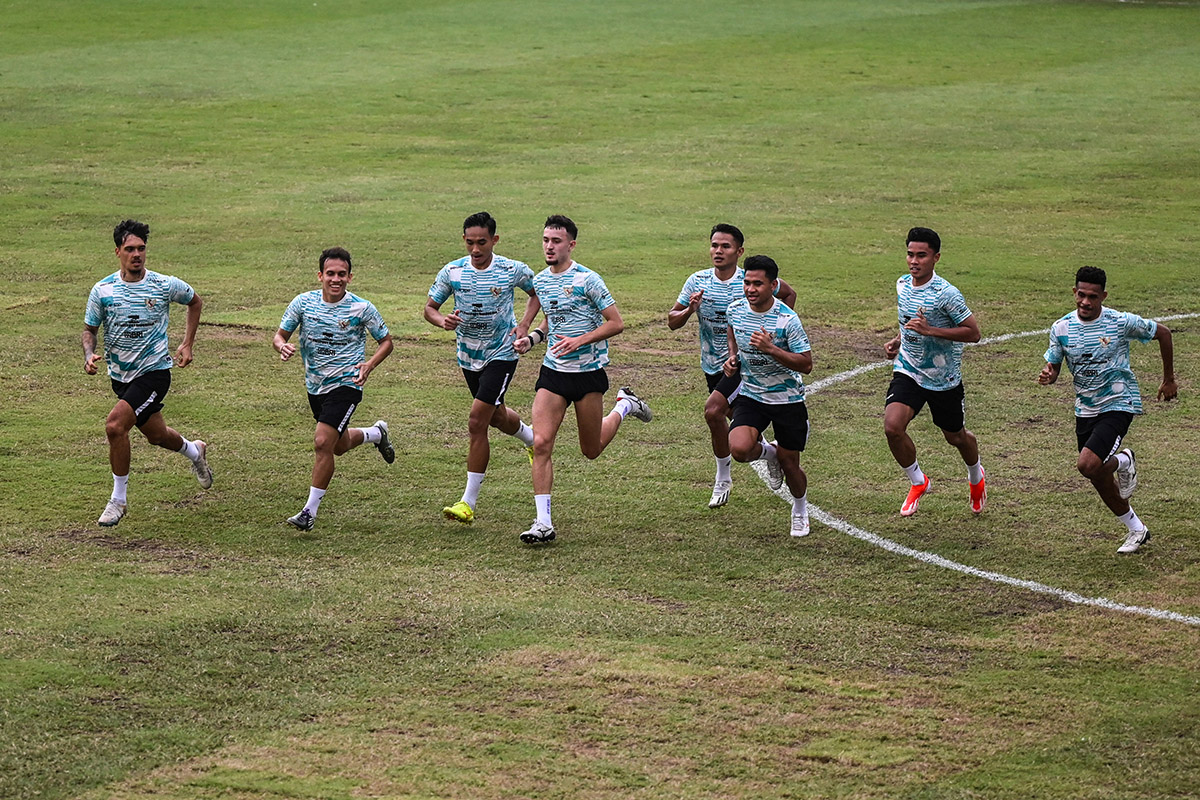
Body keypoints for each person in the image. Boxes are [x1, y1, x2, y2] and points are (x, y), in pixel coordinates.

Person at [511, 215, 652, 544]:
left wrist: (581, 340)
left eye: (556, 241)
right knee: (541, 444)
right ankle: (543, 522)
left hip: (588, 375)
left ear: (570, 245)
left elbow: (616, 323)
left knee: (591, 450)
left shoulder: (588, 280)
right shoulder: (542, 281)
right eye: (545, 240)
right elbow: (551, 320)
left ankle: (624, 406)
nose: (549, 246)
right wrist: (531, 340)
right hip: (553, 374)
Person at [82, 219, 214, 527]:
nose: (136, 255)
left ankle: (118, 501)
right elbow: (90, 329)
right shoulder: (103, 290)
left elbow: (195, 302)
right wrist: (89, 354)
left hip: (155, 373)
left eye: (141, 248)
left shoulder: (163, 284)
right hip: (121, 377)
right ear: (118, 252)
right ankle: (195, 451)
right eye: (130, 249)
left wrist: (187, 343)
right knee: (157, 436)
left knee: (116, 426)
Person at [1038, 266, 1176, 554]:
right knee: (1097, 475)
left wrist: (1169, 379)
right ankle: (1137, 530)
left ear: (1103, 296)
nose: (1085, 302)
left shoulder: (1119, 322)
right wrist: (1050, 375)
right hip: (1085, 408)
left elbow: (1163, 333)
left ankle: (1124, 460)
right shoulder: (1061, 328)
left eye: (1092, 297)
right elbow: (1054, 365)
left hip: (1118, 402)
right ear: (1073, 292)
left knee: (1087, 465)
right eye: (1080, 295)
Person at [668, 224, 797, 509]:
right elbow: (672, 320)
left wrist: (774, 333)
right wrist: (690, 310)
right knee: (732, 420)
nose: (718, 251)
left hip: (742, 366)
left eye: (725, 246)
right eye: (714, 245)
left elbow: (788, 294)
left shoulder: (750, 280)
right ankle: (770, 453)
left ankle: (722, 479)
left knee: (713, 410)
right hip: (713, 366)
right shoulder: (697, 281)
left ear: (739, 252)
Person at [425, 212, 540, 525]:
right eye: (470, 242)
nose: (475, 249)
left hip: (502, 353)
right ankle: (533, 440)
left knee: (477, 420)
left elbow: (537, 292)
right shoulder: (452, 271)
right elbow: (430, 309)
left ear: (495, 240)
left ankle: (467, 503)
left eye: (482, 242)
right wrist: (442, 321)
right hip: (468, 356)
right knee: (495, 415)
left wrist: (525, 325)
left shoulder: (510, 269)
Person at [273, 247, 395, 531]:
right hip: (315, 386)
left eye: (342, 274)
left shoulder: (362, 308)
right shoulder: (303, 304)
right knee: (336, 446)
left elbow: (386, 342)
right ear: (320, 276)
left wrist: (369, 365)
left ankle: (308, 513)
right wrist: (283, 346)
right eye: (331, 274)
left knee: (321, 442)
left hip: (347, 383)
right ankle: (376, 434)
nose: (336, 279)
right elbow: (280, 335)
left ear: (350, 277)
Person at [882, 227, 985, 517]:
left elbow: (974, 333)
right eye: (910, 254)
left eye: (922, 255)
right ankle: (918, 481)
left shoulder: (947, 294)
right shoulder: (902, 285)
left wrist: (931, 331)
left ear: (936, 258)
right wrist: (898, 340)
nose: (914, 261)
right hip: (909, 370)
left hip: (943, 379)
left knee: (956, 437)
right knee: (892, 427)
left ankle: (976, 477)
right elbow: (908, 323)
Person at [723, 255, 813, 537]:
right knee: (738, 449)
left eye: (757, 284)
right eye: (747, 283)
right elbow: (732, 332)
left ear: (773, 285)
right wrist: (733, 357)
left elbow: (806, 364)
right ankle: (768, 452)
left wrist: (771, 349)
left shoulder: (787, 319)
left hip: (787, 400)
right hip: (752, 396)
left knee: (791, 465)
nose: (750, 289)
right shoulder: (735, 310)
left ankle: (800, 507)